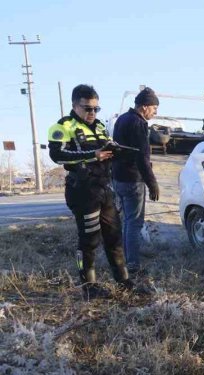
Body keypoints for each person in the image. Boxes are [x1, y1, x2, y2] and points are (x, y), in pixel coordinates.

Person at [48, 84, 137, 298]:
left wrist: (118, 152)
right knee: (89, 240)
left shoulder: (99, 126)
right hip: (82, 190)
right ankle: (89, 287)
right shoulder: (62, 126)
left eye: (96, 109)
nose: (92, 113)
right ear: (74, 105)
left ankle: (124, 281)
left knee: (114, 236)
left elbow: (107, 149)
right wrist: (93, 155)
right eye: (87, 108)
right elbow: (57, 156)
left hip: (104, 188)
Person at [112, 87, 161, 274]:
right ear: (145, 106)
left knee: (127, 222)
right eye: (154, 108)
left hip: (119, 178)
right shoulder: (138, 123)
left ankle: (124, 259)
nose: (155, 112)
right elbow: (141, 157)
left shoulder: (122, 119)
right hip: (133, 180)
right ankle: (132, 264)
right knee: (134, 223)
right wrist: (152, 183)